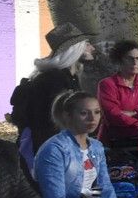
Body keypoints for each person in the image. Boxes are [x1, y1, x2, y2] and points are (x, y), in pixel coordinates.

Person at [14, 22, 96, 171]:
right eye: (87, 44)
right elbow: (52, 123)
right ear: (75, 48)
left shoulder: (68, 77)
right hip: (50, 154)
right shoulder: (52, 79)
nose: (92, 48)